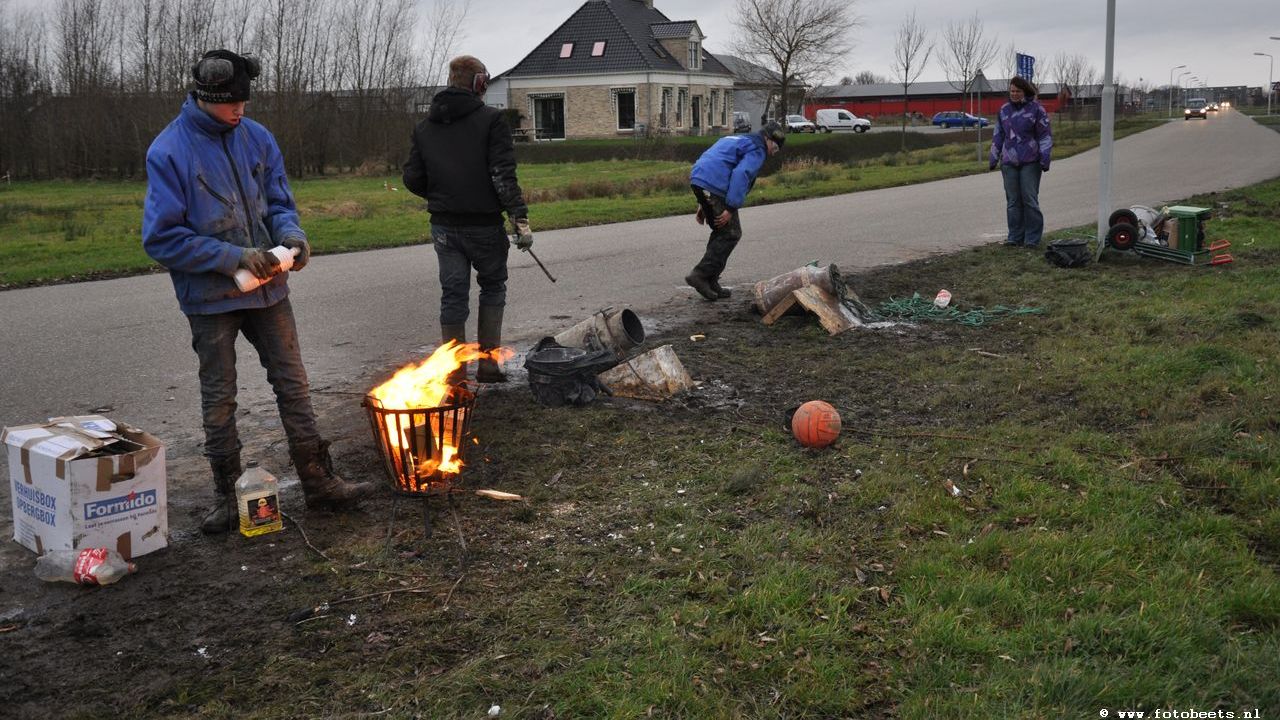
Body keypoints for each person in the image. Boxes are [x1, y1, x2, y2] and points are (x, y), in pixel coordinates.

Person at [142, 49, 376, 534]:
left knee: (294, 385)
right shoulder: (169, 151)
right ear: (205, 96)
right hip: (211, 300)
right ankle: (227, 497)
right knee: (220, 397)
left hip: (270, 292)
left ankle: (318, 481)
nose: (240, 110)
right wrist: (232, 257)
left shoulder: (258, 137)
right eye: (231, 104)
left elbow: (279, 202)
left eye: (244, 102)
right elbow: (161, 238)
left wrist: (292, 236)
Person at [402, 55, 530, 383]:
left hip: (444, 227)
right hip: (483, 224)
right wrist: (519, 218)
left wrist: (441, 195)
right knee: (493, 286)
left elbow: (412, 178)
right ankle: (488, 366)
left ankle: (455, 373)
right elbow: (502, 174)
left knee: (453, 294)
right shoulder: (492, 121)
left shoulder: (424, 127)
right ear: (479, 83)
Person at [685, 121, 786, 300]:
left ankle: (711, 280)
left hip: (699, 179)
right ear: (767, 139)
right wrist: (730, 207)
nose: (773, 152)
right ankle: (700, 275)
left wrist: (703, 202)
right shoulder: (758, 149)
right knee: (731, 233)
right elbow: (741, 174)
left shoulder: (739, 139)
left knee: (721, 232)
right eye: (775, 148)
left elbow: (714, 160)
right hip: (715, 186)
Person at [990, 76, 1053, 248]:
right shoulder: (1004, 110)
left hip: (1030, 161)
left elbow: (1045, 135)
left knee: (1029, 199)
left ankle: (1032, 238)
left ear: (1025, 91)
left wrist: (1045, 157)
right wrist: (994, 156)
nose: (1014, 94)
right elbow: (998, 134)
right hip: (1009, 162)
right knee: (1013, 202)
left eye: (1018, 91)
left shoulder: (1037, 110)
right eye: (1012, 91)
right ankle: (1015, 237)